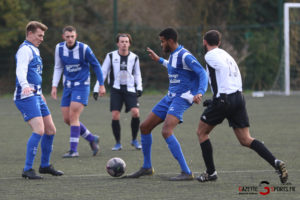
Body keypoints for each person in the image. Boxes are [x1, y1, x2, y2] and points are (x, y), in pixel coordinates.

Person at [196, 30, 288, 183]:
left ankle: (211, 173)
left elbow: (223, 73)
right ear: (219, 43)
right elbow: (234, 74)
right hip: (238, 97)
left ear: (205, 42)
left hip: (225, 99)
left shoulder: (210, 55)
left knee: (201, 133)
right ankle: (276, 162)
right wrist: (220, 98)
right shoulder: (227, 55)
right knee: (246, 139)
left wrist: (222, 97)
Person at [125, 28, 208, 181]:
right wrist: (159, 60)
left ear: (170, 41)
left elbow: (202, 73)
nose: (161, 44)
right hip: (170, 96)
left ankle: (186, 172)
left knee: (166, 131)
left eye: (162, 42)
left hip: (182, 97)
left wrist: (200, 92)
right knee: (144, 127)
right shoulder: (174, 55)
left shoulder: (185, 55)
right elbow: (173, 67)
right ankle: (147, 167)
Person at [14, 21, 64, 179]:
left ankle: (45, 165)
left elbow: (34, 73)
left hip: (36, 94)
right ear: (29, 33)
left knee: (50, 130)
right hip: (26, 95)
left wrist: (40, 92)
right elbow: (20, 71)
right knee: (39, 130)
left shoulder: (34, 49)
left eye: (43, 36)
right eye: (39, 35)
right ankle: (27, 169)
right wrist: (25, 86)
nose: (42, 38)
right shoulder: (25, 50)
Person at [51, 25, 106, 158]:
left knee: (74, 116)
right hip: (68, 87)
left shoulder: (84, 48)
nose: (70, 39)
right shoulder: (59, 48)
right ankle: (92, 139)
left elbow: (96, 65)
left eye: (72, 36)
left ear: (76, 36)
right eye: (67, 36)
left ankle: (73, 150)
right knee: (67, 119)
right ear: (63, 37)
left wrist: (101, 84)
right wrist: (54, 86)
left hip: (82, 86)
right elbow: (58, 67)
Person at [93, 33, 143, 151]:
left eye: (126, 41)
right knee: (115, 115)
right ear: (117, 43)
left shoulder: (134, 57)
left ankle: (134, 140)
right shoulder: (110, 56)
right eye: (122, 41)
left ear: (129, 44)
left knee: (136, 113)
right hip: (116, 90)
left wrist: (139, 87)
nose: (124, 44)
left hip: (130, 89)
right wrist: (97, 88)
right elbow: (103, 72)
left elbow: (137, 74)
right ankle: (118, 143)